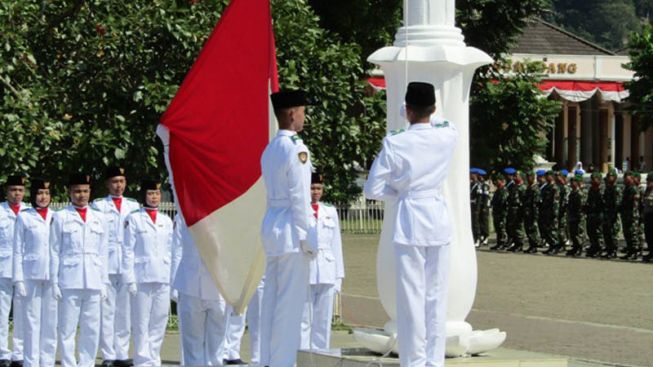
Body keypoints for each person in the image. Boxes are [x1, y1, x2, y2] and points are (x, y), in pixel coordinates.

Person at [364, 82, 458, 367]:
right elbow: (441, 121)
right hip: (438, 220)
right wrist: (415, 113)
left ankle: (414, 362)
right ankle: (433, 362)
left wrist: (398, 192)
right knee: (436, 297)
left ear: (407, 110)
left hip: (410, 220)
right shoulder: (448, 135)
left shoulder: (396, 141)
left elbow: (372, 188)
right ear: (433, 107)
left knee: (411, 298)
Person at [260, 89, 316, 367]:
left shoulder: (271, 147)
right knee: (290, 305)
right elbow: (300, 197)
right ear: (292, 113)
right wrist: (309, 238)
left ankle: (268, 360)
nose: (304, 117)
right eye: (303, 111)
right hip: (292, 231)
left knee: (271, 300)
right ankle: (281, 361)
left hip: (273, 227)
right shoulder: (297, 148)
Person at [50, 174, 108, 367]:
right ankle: (68, 363)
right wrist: (54, 281)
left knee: (91, 328)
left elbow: (103, 253)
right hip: (69, 280)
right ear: (69, 192)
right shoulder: (60, 217)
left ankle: (87, 363)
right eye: (77, 191)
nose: (81, 195)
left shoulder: (99, 218)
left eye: (84, 191)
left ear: (90, 192)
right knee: (67, 329)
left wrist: (104, 282)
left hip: (93, 280)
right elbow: (54, 251)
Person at [122, 180, 174, 367]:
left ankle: (154, 358)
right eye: (151, 193)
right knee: (141, 321)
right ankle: (142, 360)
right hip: (141, 276)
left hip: (162, 276)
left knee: (159, 320)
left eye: (157, 194)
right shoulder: (134, 218)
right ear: (143, 195)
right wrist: (129, 279)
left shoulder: (166, 220)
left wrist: (171, 278)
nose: (154, 197)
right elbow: (127, 250)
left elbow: (171, 250)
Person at [92, 167, 140, 367]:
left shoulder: (134, 205)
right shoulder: (98, 205)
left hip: (128, 265)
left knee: (125, 312)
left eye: (121, 181)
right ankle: (108, 354)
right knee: (107, 311)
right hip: (107, 264)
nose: (118, 185)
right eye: (114, 181)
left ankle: (121, 353)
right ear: (107, 184)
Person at [172, 214, 227, 366]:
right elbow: (177, 249)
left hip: (218, 287)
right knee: (192, 347)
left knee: (216, 349)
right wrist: (173, 284)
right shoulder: (184, 213)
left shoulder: (226, 213)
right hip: (191, 284)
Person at [12, 178, 57, 367]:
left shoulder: (57, 216)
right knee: (31, 322)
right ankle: (31, 362)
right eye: (39, 193)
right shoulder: (24, 216)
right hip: (30, 274)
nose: (43, 197)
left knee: (50, 323)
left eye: (46, 193)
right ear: (33, 195)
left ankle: (47, 362)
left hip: (52, 275)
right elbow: (17, 249)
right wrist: (18, 279)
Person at [301, 173, 345, 350]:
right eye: (312, 188)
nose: (315, 192)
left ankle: (321, 355)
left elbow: (336, 244)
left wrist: (338, 277)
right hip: (307, 269)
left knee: (323, 320)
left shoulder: (330, 211)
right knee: (304, 319)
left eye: (318, 188)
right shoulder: (301, 211)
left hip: (327, 269)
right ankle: (303, 356)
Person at [0, 175, 28, 367]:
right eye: (13, 190)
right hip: (2, 267)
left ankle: (19, 353)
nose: (16, 194)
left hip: (24, 269)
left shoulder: (29, 211)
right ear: (6, 191)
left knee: (21, 312)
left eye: (20, 190)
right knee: (1, 314)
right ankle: (3, 352)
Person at [619, 172, 641, 260]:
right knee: (627, 233)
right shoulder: (626, 188)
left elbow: (636, 201)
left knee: (633, 233)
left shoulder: (634, 189)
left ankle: (635, 252)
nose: (625, 180)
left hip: (632, 214)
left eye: (627, 179)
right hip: (626, 214)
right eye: (625, 179)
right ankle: (630, 250)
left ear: (631, 179)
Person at [601, 169, 621, 259]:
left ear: (615, 178)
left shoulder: (616, 189)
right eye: (608, 177)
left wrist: (614, 214)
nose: (609, 178)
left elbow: (617, 203)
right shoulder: (607, 189)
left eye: (611, 177)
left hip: (613, 214)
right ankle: (609, 249)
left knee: (613, 233)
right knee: (606, 232)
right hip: (607, 213)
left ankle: (613, 250)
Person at [566, 172, 586, 257]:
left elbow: (581, 206)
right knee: (572, 232)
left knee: (578, 232)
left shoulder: (580, 193)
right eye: (571, 182)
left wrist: (579, 215)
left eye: (573, 182)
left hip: (578, 216)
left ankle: (580, 248)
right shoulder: (572, 193)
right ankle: (575, 247)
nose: (571, 183)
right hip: (572, 215)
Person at [584, 172, 604, 258]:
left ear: (599, 179)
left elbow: (604, 203)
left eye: (594, 179)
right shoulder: (591, 189)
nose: (593, 180)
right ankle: (594, 246)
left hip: (599, 213)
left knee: (598, 232)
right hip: (591, 213)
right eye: (592, 179)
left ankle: (599, 248)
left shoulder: (602, 189)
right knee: (590, 231)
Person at [506, 169, 526, 252]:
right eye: (514, 176)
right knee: (512, 227)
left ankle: (520, 244)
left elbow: (524, 200)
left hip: (519, 210)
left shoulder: (523, 187)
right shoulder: (513, 186)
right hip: (512, 209)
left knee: (518, 228)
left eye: (516, 176)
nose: (514, 177)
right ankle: (515, 243)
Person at [539, 171, 559, 253]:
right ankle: (551, 245)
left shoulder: (554, 187)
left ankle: (555, 246)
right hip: (545, 211)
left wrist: (554, 212)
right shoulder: (546, 187)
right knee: (546, 230)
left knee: (552, 229)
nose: (546, 178)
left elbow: (555, 201)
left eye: (548, 176)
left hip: (551, 211)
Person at [523, 171, 541, 253]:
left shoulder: (535, 189)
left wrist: (535, 215)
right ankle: (531, 244)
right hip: (527, 212)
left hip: (532, 212)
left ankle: (534, 245)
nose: (528, 178)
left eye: (529, 177)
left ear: (533, 178)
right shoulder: (529, 187)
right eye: (527, 177)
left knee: (533, 229)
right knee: (528, 229)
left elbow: (536, 203)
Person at [490, 175, 509, 251]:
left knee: (502, 228)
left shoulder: (504, 190)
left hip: (502, 212)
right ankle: (498, 243)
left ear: (501, 181)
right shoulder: (498, 190)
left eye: (497, 180)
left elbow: (503, 201)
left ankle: (503, 243)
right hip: (497, 212)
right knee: (498, 228)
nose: (495, 182)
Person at [477, 169, 491, 246]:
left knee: (484, 221)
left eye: (479, 175)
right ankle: (482, 235)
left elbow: (486, 197)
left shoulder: (485, 185)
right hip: (480, 205)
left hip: (484, 206)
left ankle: (486, 236)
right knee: (480, 220)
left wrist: (485, 207)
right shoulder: (480, 184)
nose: (479, 177)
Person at [642, 173, 653, 263]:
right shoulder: (647, 189)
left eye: (649, 181)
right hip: (647, 214)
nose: (647, 182)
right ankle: (651, 252)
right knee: (648, 235)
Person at [470, 169, 481, 247]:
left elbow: (479, 198)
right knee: (472, 223)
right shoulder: (471, 184)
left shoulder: (478, 185)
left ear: (475, 175)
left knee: (476, 224)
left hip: (475, 207)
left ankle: (477, 239)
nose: (470, 176)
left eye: (471, 174)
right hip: (471, 206)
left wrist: (477, 209)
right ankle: (473, 238)